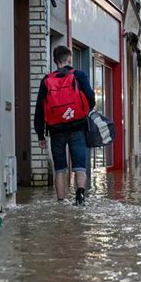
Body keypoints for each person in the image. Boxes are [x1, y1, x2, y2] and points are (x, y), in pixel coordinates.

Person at [34, 45, 95, 205]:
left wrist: (40, 134)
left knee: (60, 169)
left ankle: (61, 203)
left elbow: (39, 109)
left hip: (56, 131)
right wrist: (82, 112)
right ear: (69, 59)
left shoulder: (47, 80)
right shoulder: (79, 75)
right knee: (80, 167)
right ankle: (80, 198)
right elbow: (91, 98)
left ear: (55, 61)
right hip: (77, 128)